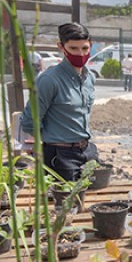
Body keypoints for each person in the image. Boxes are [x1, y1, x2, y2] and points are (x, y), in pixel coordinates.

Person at [21, 22, 99, 182]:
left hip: (87, 151)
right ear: (61, 47)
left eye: (84, 48)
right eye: (73, 48)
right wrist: (51, 141)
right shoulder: (49, 80)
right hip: (60, 157)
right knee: (63, 203)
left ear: (90, 45)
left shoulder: (89, 77)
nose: (80, 53)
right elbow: (29, 122)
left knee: (92, 199)